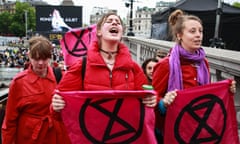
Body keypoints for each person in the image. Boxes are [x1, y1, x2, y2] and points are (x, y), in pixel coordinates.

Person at [51, 12, 157, 142]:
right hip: (92, 136)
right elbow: (59, 106)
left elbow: (145, 102)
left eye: (118, 22)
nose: (114, 23)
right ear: (99, 31)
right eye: (109, 21)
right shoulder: (82, 65)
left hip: (123, 136)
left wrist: (152, 100)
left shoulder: (133, 67)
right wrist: (56, 106)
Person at [152, 9, 236, 143]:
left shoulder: (204, 63)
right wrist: (163, 103)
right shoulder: (165, 65)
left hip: (198, 131)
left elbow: (206, 96)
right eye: (192, 31)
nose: (198, 35)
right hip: (173, 132)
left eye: (200, 31)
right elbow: (152, 101)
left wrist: (227, 90)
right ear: (179, 35)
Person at [2, 35, 70, 144]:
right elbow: (10, 121)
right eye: (36, 58)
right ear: (29, 56)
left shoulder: (61, 76)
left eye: (44, 58)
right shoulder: (19, 82)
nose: (41, 63)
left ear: (50, 57)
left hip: (56, 135)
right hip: (29, 137)